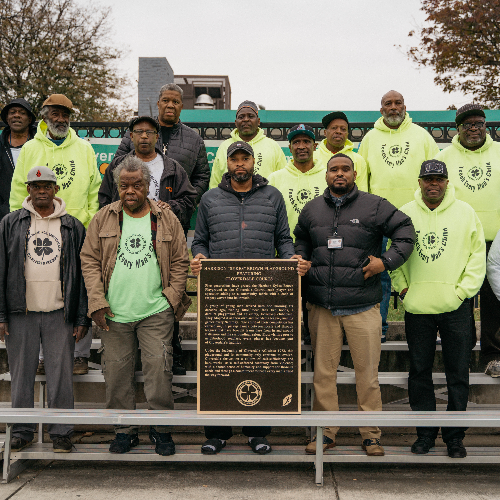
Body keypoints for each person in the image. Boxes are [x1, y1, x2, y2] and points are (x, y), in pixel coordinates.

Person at [191, 141, 310, 456]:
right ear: (227, 164)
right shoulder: (210, 199)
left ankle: (258, 432)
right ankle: (217, 433)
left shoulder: (272, 197)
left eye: (245, 159)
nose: (239, 164)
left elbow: (284, 239)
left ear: (253, 162)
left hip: (263, 294)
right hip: (221, 295)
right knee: (220, 362)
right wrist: (200, 256)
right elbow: (199, 240)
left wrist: (290, 263)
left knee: (260, 360)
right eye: (234, 160)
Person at [294, 153, 414, 456]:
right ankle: (325, 432)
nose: (339, 174)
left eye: (345, 169)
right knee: (323, 375)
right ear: (326, 174)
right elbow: (301, 241)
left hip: (363, 305)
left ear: (355, 173)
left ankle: (371, 434)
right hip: (322, 306)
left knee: (367, 375)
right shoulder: (311, 210)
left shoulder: (374, 206)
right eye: (333, 169)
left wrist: (385, 262)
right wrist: (299, 258)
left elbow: (405, 231)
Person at [80, 156, 191, 456]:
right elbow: (89, 261)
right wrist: (97, 301)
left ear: (147, 186)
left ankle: (161, 430)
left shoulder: (166, 218)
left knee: (158, 372)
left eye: (137, 185)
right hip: (114, 314)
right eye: (124, 185)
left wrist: (171, 298)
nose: (130, 191)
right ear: (117, 186)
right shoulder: (103, 218)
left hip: (156, 311)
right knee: (116, 375)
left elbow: (181, 261)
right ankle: (123, 430)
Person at [390, 159, 485, 458]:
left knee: (458, 372)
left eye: (438, 179)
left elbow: (476, 256)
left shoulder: (466, 213)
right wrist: (403, 289)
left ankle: (455, 437)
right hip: (418, 307)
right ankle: (425, 434)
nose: (433, 184)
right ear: (419, 181)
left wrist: (461, 293)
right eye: (427, 179)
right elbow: (394, 254)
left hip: (455, 307)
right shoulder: (404, 212)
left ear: (446, 182)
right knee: (420, 372)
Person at [9, 94, 101, 375]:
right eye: (55, 114)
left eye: (65, 114)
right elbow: (17, 190)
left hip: (77, 230)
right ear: (46, 116)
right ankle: (41, 356)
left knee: (81, 290)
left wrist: (89, 223)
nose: (61, 119)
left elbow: (94, 189)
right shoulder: (30, 148)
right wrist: (20, 224)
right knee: (41, 291)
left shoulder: (85, 148)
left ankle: (80, 355)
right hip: (38, 229)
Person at [0, 166, 89, 453]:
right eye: (36, 186)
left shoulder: (73, 226)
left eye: (47, 186)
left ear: (56, 189)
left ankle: (61, 433)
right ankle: (22, 431)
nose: (41, 190)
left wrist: (80, 316)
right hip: (19, 312)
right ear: (28, 189)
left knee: (61, 375)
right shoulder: (10, 223)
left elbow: (83, 273)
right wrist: (1, 315)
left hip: (58, 313)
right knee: (21, 375)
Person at [358, 90, 440, 342]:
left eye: (397, 103)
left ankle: (429, 331)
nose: (393, 107)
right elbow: (363, 178)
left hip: (417, 218)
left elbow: (436, 174)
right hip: (380, 222)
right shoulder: (370, 139)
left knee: (423, 273)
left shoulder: (422, 136)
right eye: (387, 104)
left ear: (405, 106)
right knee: (381, 276)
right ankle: (379, 329)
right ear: (380, 109)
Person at [435, 103, 500, 377]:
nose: (474, 128)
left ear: (486, 126)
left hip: (497, 240)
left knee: (494, 299)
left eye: (479, 123)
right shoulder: (445, 156)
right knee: (460, 299)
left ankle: (493, 356)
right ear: (457, 128)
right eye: (468, 124)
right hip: (459, 239)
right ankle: (460, 354)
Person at [268, 124, 324, 344]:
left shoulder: (327, 175)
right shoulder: (275, 178)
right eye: (296, 142)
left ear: (315, 145)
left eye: (306, 141)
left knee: (316, 314)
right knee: (285, 314)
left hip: (319, 254)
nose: (302, 146)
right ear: (289, 147)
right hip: (285, 254)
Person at [113, 83, 210, 207]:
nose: (170, 105)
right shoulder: (135, 134)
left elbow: (202, 177)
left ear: (181, 106)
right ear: (158, 104)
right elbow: (116, 168)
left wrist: (182, 206)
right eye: (165, 100)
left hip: (174, 216)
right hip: (133, 211)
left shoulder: (194, 140)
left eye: (175, 102)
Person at [208, 101, 286, 188]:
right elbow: (215, 182)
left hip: (265, 201)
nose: (246, 119)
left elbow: (283, 180)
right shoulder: (224, 147)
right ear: (236, 122)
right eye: (241, 117)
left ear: (258, 121)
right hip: (231, 201)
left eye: (250, 116)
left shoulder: (273, 146)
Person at [0, 98, 37, 220]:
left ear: (29, 119)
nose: (17, 115)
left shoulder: (41, 144)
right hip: (4, 214)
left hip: (36, 211)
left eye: (22, 112)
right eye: (12, 112)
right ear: (6, 118)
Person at [313, 111, 368, 191]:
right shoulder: (313, 157)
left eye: (343, 129)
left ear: (347, 134)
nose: (338, 131)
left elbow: (362, 192)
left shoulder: (358, 160)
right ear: (325, 132)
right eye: (334, 128)